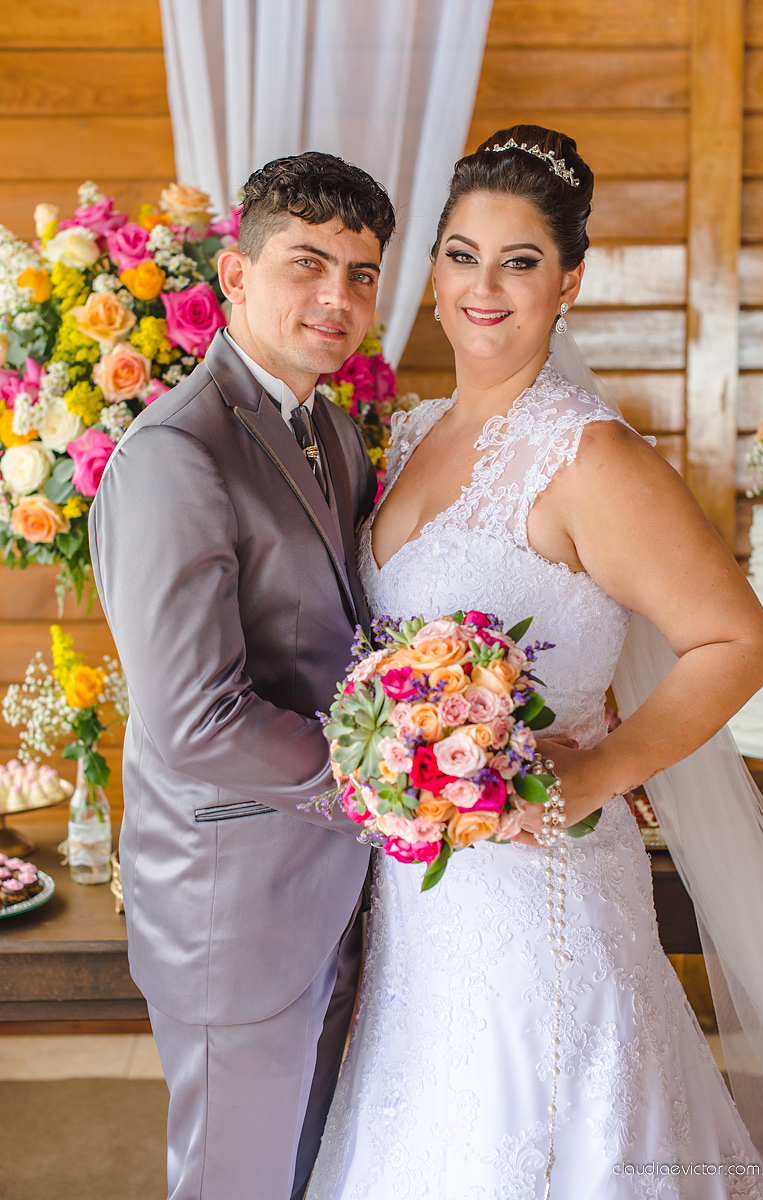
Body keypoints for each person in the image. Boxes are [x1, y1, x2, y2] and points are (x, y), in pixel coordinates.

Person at [306, 126, 763, 1199]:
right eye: (461, 253)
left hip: (542, 888)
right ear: (431, 268)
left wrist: (588, 774)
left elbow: (737, 641)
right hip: (424, 897)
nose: (485, 287)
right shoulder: (410, 429)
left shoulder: (591, 455)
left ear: (569, 281)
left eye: (521, 261)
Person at [88, 152, 395, 1200]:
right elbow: (194, 718)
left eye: (360, 274)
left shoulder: (336, 431)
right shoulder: (178, 451)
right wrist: (390, 781)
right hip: (234, 908)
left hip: (329, 886)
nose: (336, 298)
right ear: (234, 274)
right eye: (307, 264)